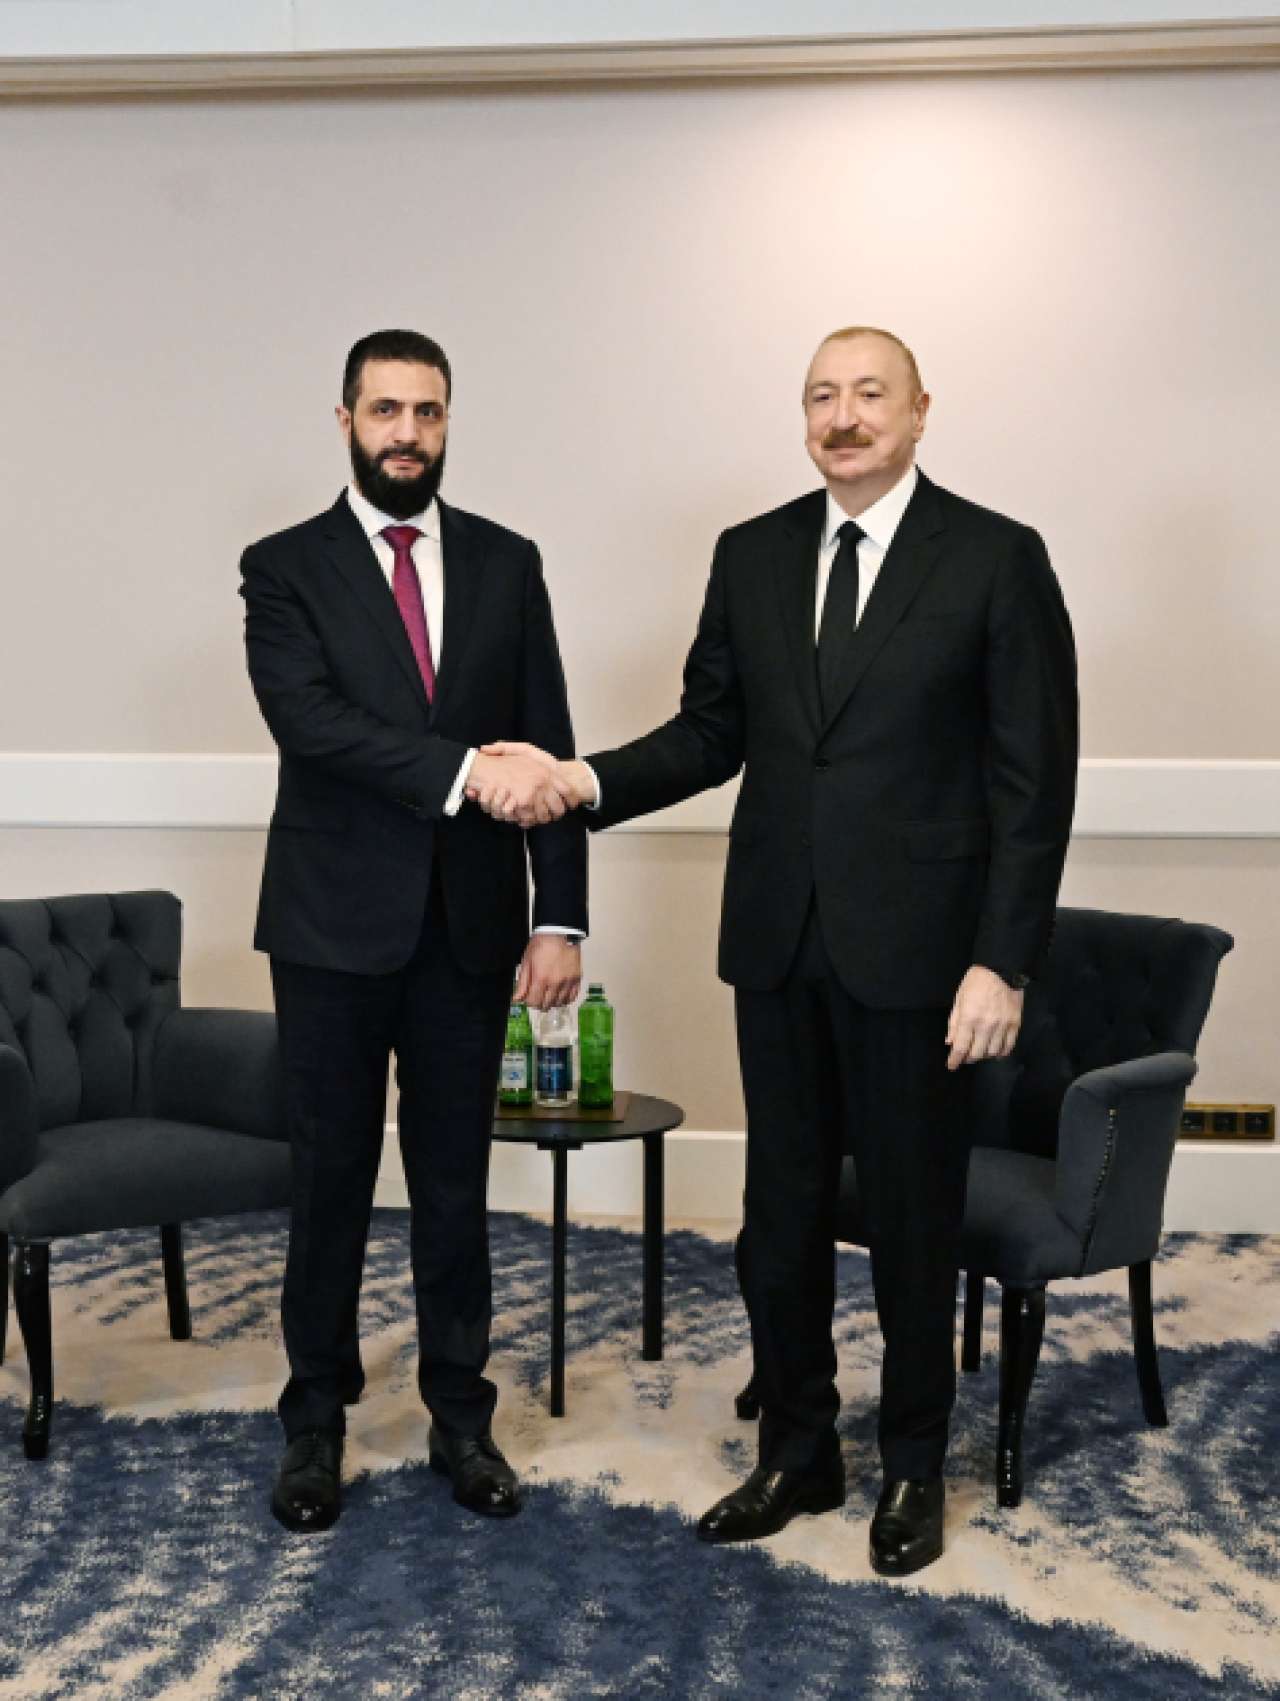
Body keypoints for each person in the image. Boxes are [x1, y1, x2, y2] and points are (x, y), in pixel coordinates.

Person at [471, 326, 1077, 1575]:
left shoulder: (994, 557)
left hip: (922, 958)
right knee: (777, 1220)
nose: (841, 417)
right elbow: (709, 734)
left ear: (919, 410)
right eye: (819, 396)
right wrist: (580, 778)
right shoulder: (750, 554)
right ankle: (799, 1451)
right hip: (777, 941)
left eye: (867, 394)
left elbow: (1033, 782)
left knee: (912, 1219)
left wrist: (1000, 961)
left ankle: (911, 1464)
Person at [241, 329, 586, 1534]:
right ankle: (313, 1424)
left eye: (426, 412)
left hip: (468, 930)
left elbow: (546, 740)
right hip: (329, 929)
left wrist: (559, 915)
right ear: (344, 420)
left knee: (452, 1184)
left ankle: (460, 1418)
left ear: (447, 422)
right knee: (329, 1180)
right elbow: (310, 722)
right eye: (384, 410)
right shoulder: (282, 566)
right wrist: (463, 773)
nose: (406, 433)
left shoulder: (506, 561)